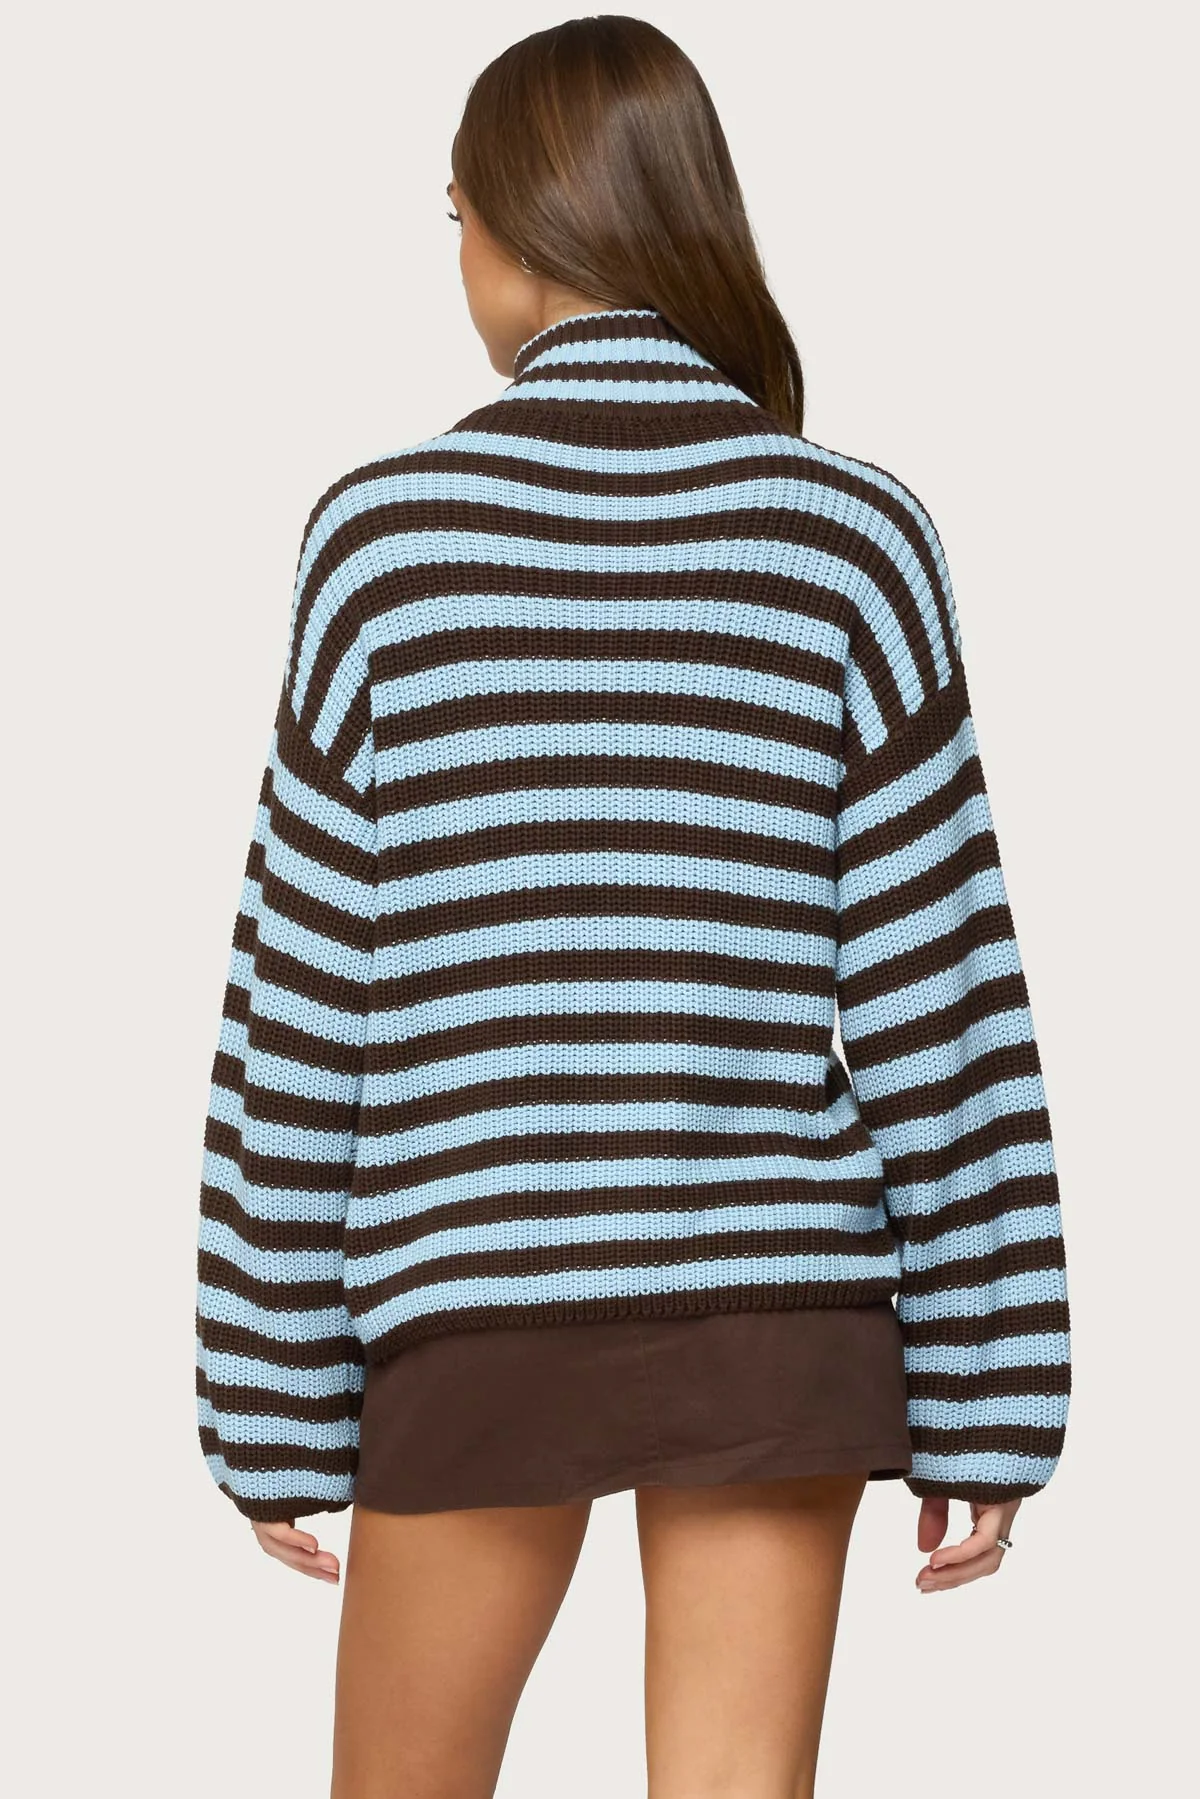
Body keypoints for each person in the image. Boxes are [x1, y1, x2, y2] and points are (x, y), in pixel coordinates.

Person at [193, 16, 1070, 1796]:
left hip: (475, 1292)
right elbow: (943, 994)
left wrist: (270, 1391)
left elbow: (303, 1001)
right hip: (773, 1308)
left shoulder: (383, 544)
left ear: (520, 223)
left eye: (454, 212)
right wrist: (991, 1389)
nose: (455, 252)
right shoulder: (851, 536)